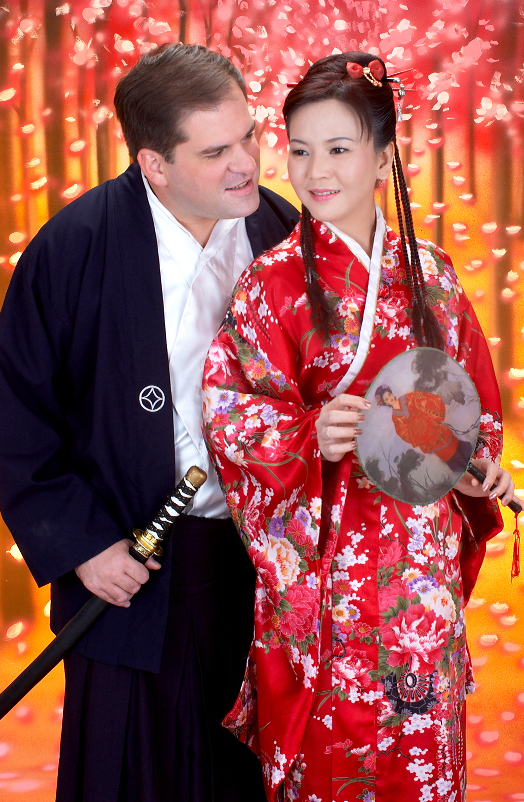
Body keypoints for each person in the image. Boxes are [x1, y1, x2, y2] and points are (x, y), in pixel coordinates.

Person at [202, 52, 519, 801]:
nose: (316, 171)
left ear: (382, 159)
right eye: (300, 150)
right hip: (325, 584)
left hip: (417, 577)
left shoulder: (432, 275)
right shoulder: (270, 284)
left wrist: (477, 467)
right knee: (329, 766)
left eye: (339, 149)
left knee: (421, 762)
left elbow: (471, 408)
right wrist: (305, 434)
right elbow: (229, 410)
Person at [0, 43, 298, 802]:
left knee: (252, 770)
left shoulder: (280, 232)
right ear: (153, 164)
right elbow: (14, 410)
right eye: (215, 152)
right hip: (130, 562)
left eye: (248, 137)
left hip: (259, 561)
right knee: (132, 770)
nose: (246, 165)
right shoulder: (74, 248)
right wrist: (83, 545)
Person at [374, 385, 473, 472]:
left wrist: (425, 412)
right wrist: (415, 433)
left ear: (391, 393)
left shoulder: (406, 398)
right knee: (442, 451)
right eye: (386, 399)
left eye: (389, 395)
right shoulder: (395, 417)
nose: (390, 398)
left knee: (447, 440)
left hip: (431, 424)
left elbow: (421, 398)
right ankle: (459, 466)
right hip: (422, 436)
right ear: (385, 403)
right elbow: (402, 432)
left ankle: (467, 456)